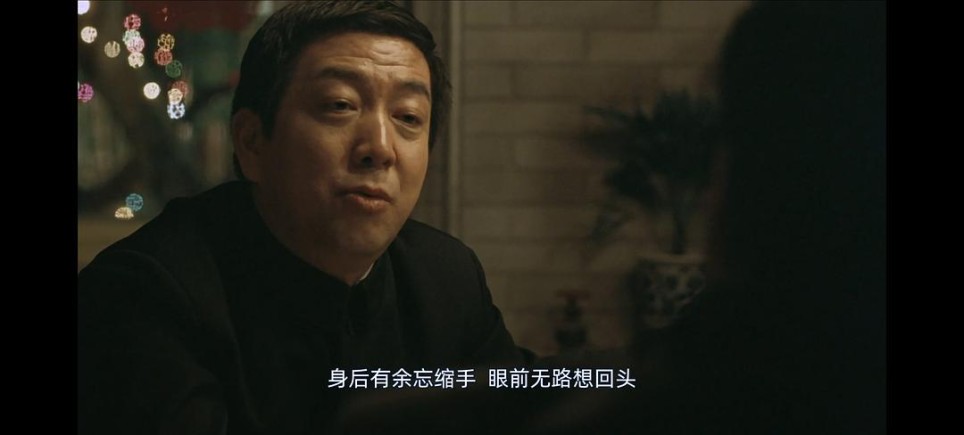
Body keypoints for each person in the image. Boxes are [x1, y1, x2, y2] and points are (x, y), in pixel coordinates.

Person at [78, 2, 530, 434]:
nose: (380, 147)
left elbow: (522, 409)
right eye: (340, 105)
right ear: (252, 142)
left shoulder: (444, 277)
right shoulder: (145, 293)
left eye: (409, 117)